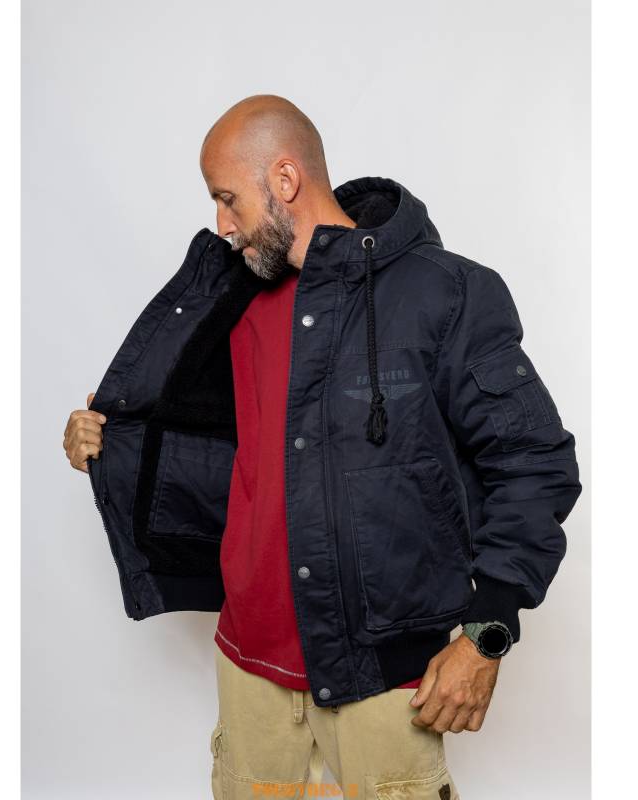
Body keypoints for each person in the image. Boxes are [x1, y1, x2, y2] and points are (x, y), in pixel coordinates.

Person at [63, 95, 582, 798]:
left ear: (284, 179)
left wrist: (487, 630)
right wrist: (107, 440)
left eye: (227, 198)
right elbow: (201, 438)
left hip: (385, 675)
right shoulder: (233, 300)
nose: (221, 225)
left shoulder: (446, 293)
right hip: (249, 666)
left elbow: (533, 463)